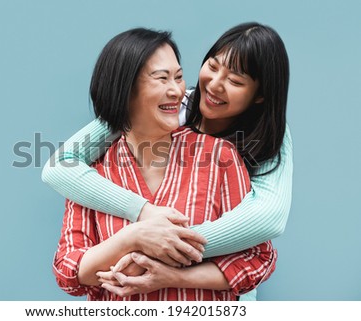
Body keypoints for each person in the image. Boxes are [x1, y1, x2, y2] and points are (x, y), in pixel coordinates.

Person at [44, 22, 291, 300]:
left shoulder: (231, 153)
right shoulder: (91, 176)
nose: (214, 85)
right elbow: (69, 271)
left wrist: (166, 251)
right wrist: (137, 231)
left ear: (259, 96)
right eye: (212, 66)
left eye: (235, 81)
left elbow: (265, 234)